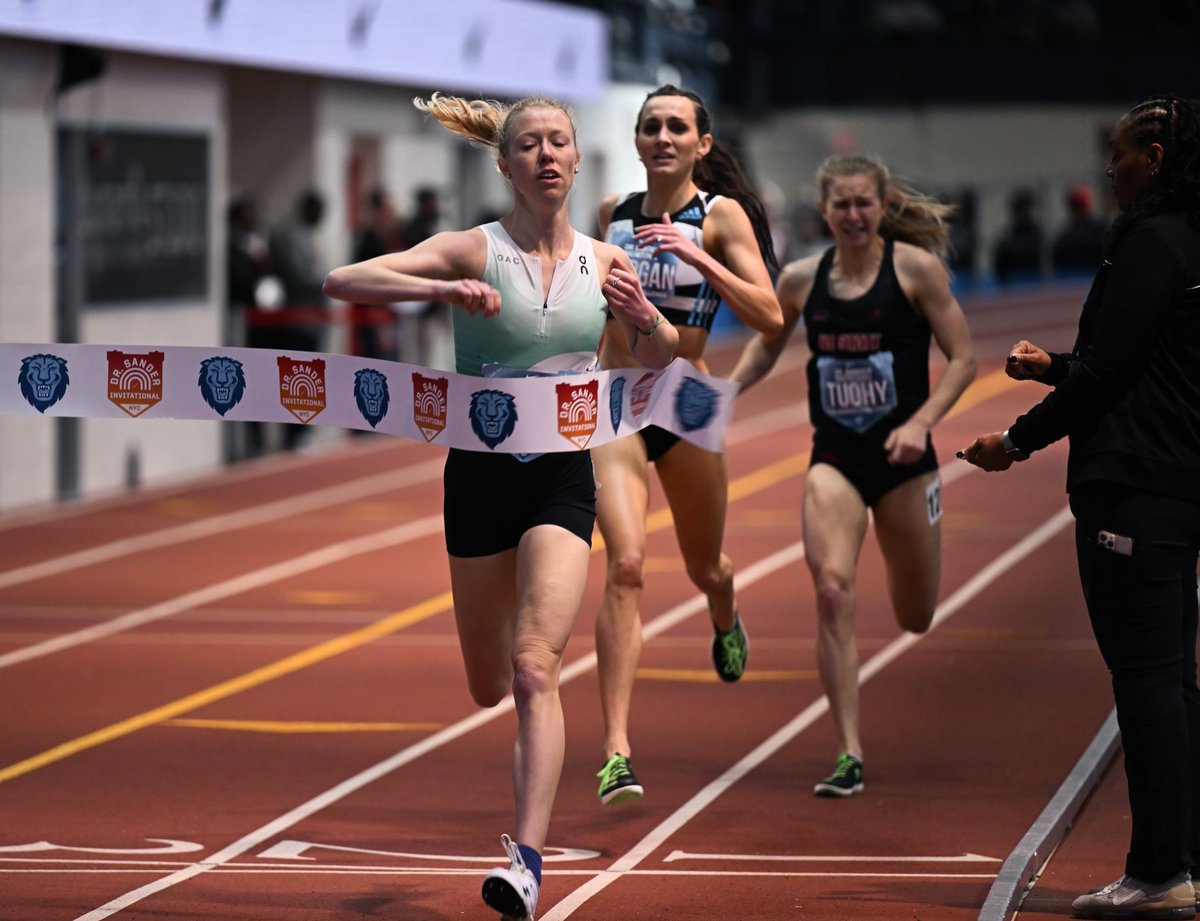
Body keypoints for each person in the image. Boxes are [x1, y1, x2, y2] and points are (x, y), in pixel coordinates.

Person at [322, 91, 678, 921]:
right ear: (505, 164)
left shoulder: (607, 263)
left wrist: (647, 320)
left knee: (532, 667)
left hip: (561, 478)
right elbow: (345, 279)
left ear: (578, 158)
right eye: (530, 144)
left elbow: (660, 364)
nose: (547, 154)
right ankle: (522, 825)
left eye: (560, 141)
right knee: (487, 684)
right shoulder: (473, 250)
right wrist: (440, 291)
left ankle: (525, 860)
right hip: (478, 480)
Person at [961, 95, 1200, 919]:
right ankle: (1183, 862)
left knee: (1148, 686)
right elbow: (1134, 363)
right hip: (1178, 484)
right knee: (1174, 682)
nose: (1110, 166)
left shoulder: (1151, 240)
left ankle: (1159, 871)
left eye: (1123, 151)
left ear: (1159, 157)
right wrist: (1056, 366)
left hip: (1133, 486)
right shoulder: (1192, 239)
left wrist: (1015, 441)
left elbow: (1111, 376)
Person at [731, 153, 976, 797]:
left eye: (863, 202)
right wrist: (726, 390)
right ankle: (848, 752)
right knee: (832, 592)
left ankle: (906, 561)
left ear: (882, 204)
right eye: (841, 204)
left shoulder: (916, 271)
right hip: (835, 458)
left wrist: (921, 422)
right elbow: (767, 341)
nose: (853, 215)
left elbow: (964, 359)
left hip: (904, 463)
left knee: (916, 614)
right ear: (825, 211)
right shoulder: (803, 281)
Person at [591, 84, 783, 807]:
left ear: (702, 143)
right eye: (651, 126)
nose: (663, 136)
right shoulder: (611, 215)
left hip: (690, 396)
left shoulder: (719, 214)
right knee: (628, 563)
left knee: (707, 563)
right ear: (638, 141)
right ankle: (616, 751)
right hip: (618, 399)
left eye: (677, 126)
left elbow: (768, 314)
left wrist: (699, 257)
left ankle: (724, 610)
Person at [267, 188, 329, 450]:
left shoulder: (306, 234)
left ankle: (303, 427)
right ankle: (294, 432)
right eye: (319, 213)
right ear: (309, 209)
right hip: (297, 318)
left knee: (311, 373)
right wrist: (328, 280)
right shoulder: (292, 235)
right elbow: (299, 273)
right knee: (296, 373)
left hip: (311, 317)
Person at [1051, 183, 1108, 276]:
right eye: (1074, 206)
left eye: (1079, 206)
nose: (1077, 211)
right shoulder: (1066, 236)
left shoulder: (1100, 230)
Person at [993, 187, 1045, 285]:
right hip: (1013, 282)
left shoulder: (1037, 234)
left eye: (1026, 209)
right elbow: (1000, 267)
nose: (1024, 213)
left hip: (1035, 280)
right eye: (1020, 210)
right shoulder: (1007, 240)